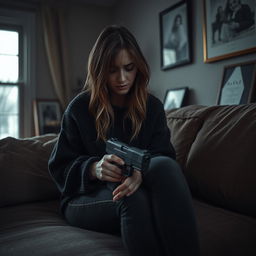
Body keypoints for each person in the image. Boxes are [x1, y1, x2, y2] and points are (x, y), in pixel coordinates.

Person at [48, 25, 200, 256]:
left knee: (164, 167)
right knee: (131, 198)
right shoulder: (79, 108)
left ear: (138, 67)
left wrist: (141, 171)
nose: (122, 78)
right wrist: (93, 168)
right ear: (100, 71)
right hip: (84, 197)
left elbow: (164, 157)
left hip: (135, 183)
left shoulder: (153, 107)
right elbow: (59, 167)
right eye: (112, 70)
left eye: (129, 68)